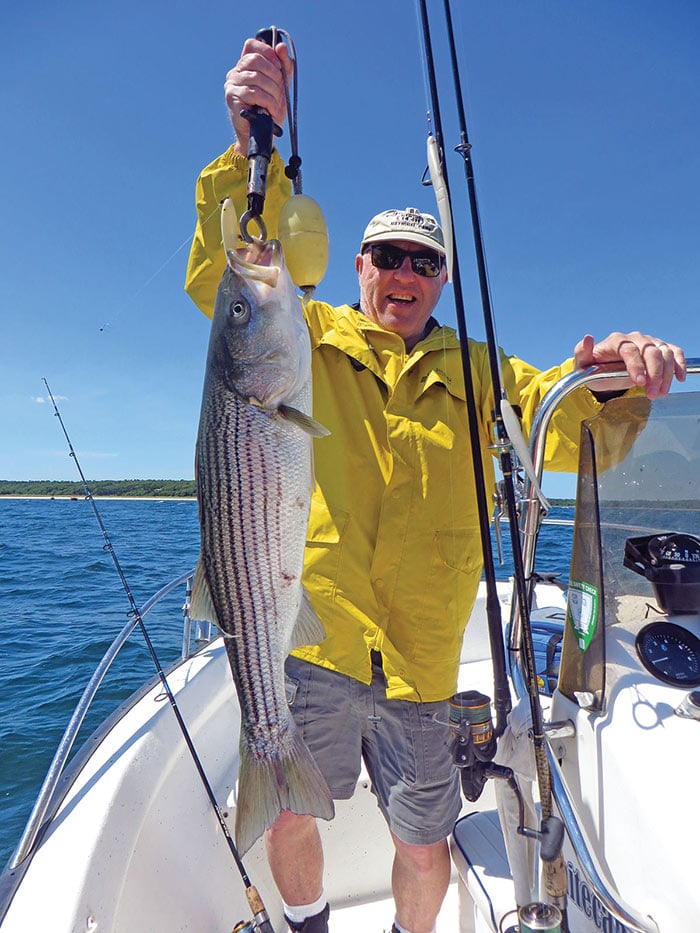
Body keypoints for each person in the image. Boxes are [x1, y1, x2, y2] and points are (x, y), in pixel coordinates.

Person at [185, 37, 686, 933]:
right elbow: (231, 273)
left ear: (442, 279)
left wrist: (616, 378)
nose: (404, 274)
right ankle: (305, 925)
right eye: (387, 256)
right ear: (357, 268)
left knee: (424, 841)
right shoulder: (307, 335)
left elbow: (576, 433)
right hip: (316, 637)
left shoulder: (483, 369)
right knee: (292, 809)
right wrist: (246, 157)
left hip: (424, 655)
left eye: (424, 262)